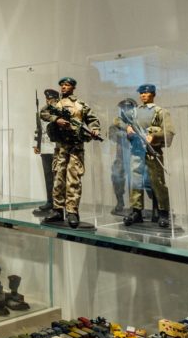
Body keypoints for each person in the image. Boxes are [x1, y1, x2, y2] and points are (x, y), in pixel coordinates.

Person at [39, 78, 101, 228]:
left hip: (75, 147)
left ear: (73, 87)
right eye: (62, 85)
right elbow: (43, 113)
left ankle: (72, 211)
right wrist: (57, 119)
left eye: (67, 85)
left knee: (73, 179)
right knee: (58, 178)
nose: (64, 87)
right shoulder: (56, 104)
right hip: (60, 147)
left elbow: (92, 119)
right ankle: (57, 210)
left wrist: (95, 129)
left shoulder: (81, 105)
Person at [122, 84, 175, 228]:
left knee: (157, 182)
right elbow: (122, 123)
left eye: (146, 93)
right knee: (136, 181)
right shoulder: (134, 112)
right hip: (137, 151)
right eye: (141, 93)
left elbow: (169, 132)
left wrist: (155, 136)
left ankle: (163, 213)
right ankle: (136, 211)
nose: (143, 95)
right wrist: (128, 130)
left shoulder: (160, 112)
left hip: (152, 151)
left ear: (153, 94)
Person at [108, 98, 138, 215]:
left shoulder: (137, 122)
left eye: (128, 108)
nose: (126, 110)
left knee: (137, 180)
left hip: (136, 156)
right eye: (124, 108)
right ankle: (120, 202)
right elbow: (111, 134)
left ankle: (137, 207)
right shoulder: (117, 123)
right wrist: (125, 134)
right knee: (116, 176)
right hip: (121, 156)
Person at [32, 89, 57, 216]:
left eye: (50, 99)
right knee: (48, 177)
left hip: (56, 148)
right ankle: (50, 201)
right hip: (45, 148)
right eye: (47, 99)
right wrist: (36, 144)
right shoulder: (42, 111)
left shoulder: (59, 111)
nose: (48, 101)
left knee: (58, 177)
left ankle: (59, 205)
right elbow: (38, 129)